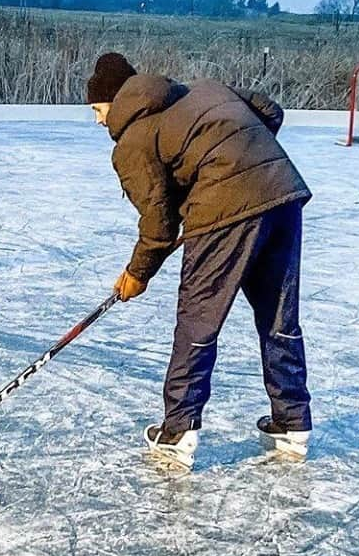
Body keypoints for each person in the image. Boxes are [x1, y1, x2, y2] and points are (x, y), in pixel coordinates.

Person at [86, 52, 312, 468]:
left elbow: (157, 223)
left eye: (99, 110)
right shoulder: (204, 88)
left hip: (225, 213)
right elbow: (268, 109)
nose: (100, 121)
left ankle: (178, 430)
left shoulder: (132, 140)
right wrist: (244, 157)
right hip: (281, 192)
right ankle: (293, 421)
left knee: (198, 319)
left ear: (116, 102)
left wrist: (137, 274)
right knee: (279, 315)